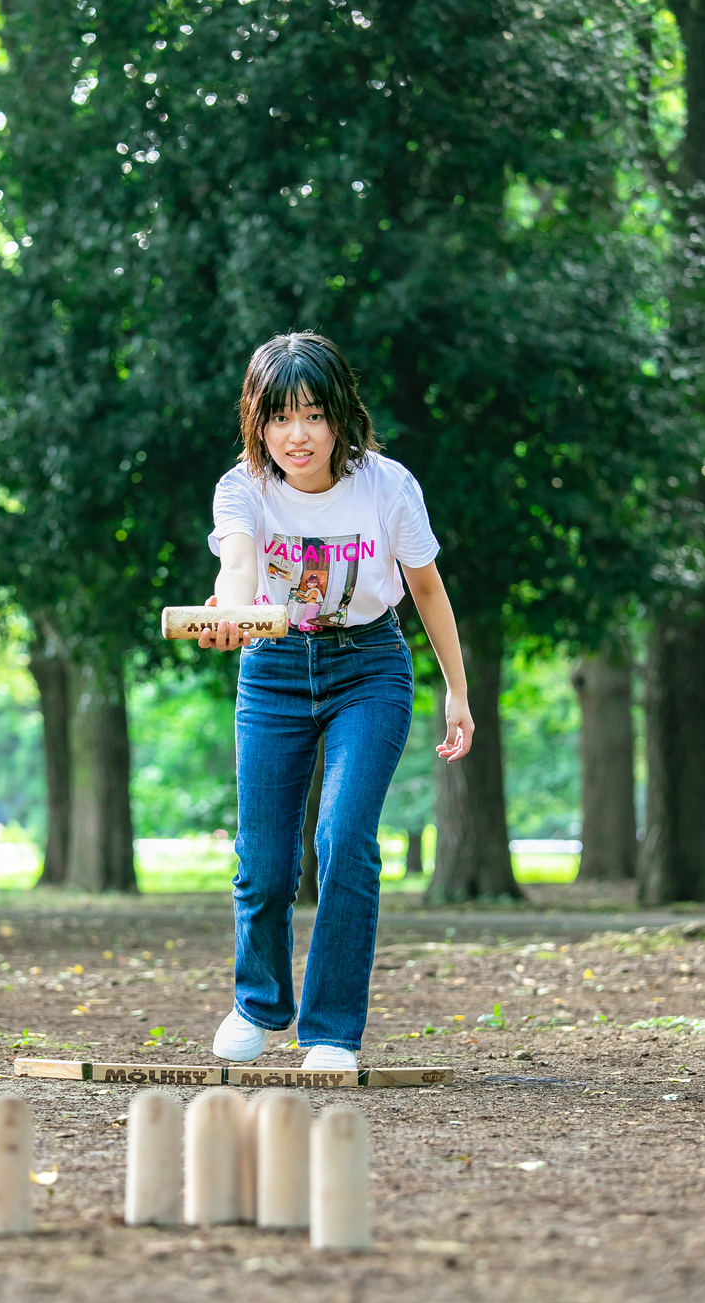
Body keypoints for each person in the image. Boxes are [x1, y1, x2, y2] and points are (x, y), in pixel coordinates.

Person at [201, 331, 473, 1070]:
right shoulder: (243, 488)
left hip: (370, 668)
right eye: (281, 417)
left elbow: (425, 587)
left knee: (344, 841)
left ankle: (329, 1032)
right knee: (262, 858)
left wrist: (458, 689)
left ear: (341, 418)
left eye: (314, 415)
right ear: (257, 421)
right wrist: (231, 613)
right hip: (274, 669)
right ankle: (258, 1005)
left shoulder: (387, 486)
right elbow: (238, 563)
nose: (298, 435)